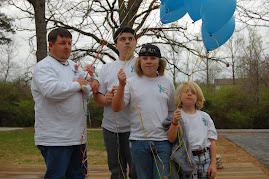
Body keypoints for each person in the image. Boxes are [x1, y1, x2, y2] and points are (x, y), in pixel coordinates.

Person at [31, 27, 98, 178]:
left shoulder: (74, 67)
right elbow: (50, 91)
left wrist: (94, 81)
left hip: (77, 137)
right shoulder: (43, 67)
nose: (67, 47)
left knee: (78, 176)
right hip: (55, 139)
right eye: (62, 43)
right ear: (51, 45)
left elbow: (88, 90)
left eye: (69, 43)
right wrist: (78, 85)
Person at [112, 44, 176, 179]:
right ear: (139, 62)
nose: (149, 61)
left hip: (163, 142)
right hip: (138, 142)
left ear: (159, 62)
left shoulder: (167, 83)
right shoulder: (129, 82)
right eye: (145, 58)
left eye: (153, 58)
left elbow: (172, 110)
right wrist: (121, 85)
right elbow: (117, 107)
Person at [94, 27, 137, 179]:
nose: (127, 42)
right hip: (111, 129)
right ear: (116, 44)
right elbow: (97, 97)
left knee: (136, 171)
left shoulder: (142, 65)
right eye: (122, 39)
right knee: (116, 171)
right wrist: (107, 99)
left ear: (135, 42)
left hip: (136, 129)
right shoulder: (107, 68)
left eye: (130, 38)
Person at [167, 81, 217, 179]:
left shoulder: (205, 116)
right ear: (179, 96)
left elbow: (212, 142)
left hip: (205, 157)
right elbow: (171, 139)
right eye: (185, 91)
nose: (189, 94)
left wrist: (213, 164)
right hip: (185, 159)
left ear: (198, 97)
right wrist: (175, 122)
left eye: (193, 93)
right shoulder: (175, 115)